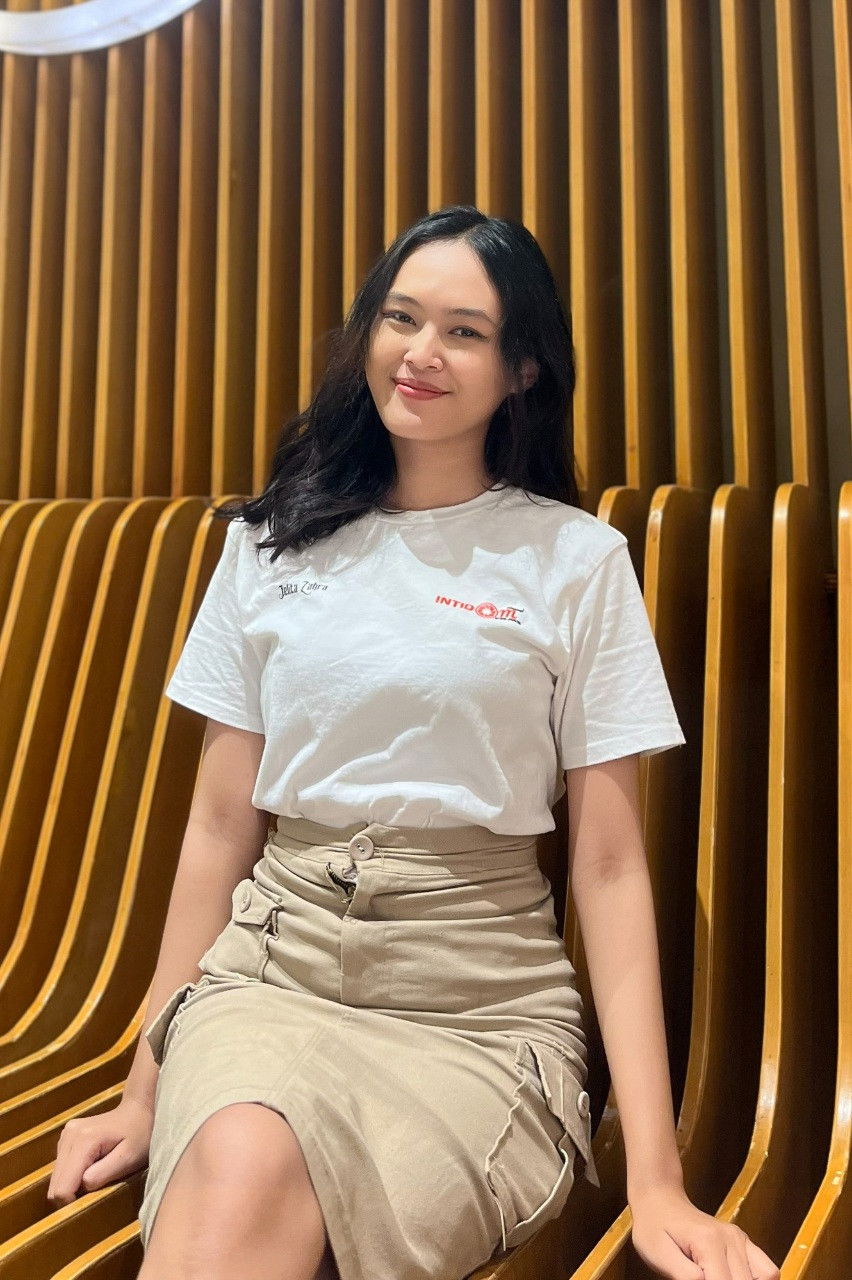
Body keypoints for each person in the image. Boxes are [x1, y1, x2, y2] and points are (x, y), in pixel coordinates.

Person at [46, 206, 779, 1280]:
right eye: (401, 318)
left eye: (464, 332)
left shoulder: (576, 562)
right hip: (272, 970)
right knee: (245, 1159)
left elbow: (611, 865)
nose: (421, 352)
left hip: (475, 1006)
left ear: (523, 369)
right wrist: (142, 1091)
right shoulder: (269, 542)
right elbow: (219, 822)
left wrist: (657, 1181)